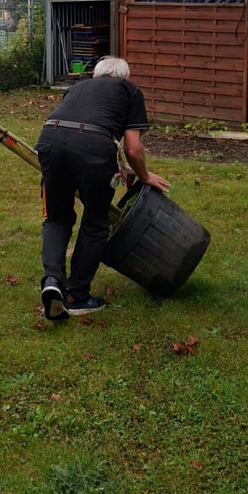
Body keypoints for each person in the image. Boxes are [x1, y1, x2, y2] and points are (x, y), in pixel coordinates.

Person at [35, 56, 169, 321]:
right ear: (125, 77)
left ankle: (52, 279)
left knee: (57, 218)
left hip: (49, 140)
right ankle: (76, 296)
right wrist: (144, 175)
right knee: (95, 222)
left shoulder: (77, 88)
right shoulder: (129, 91)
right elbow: (132, 146)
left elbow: (86, 128)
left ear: (95, 76)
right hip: (93, 152)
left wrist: (121, 167)